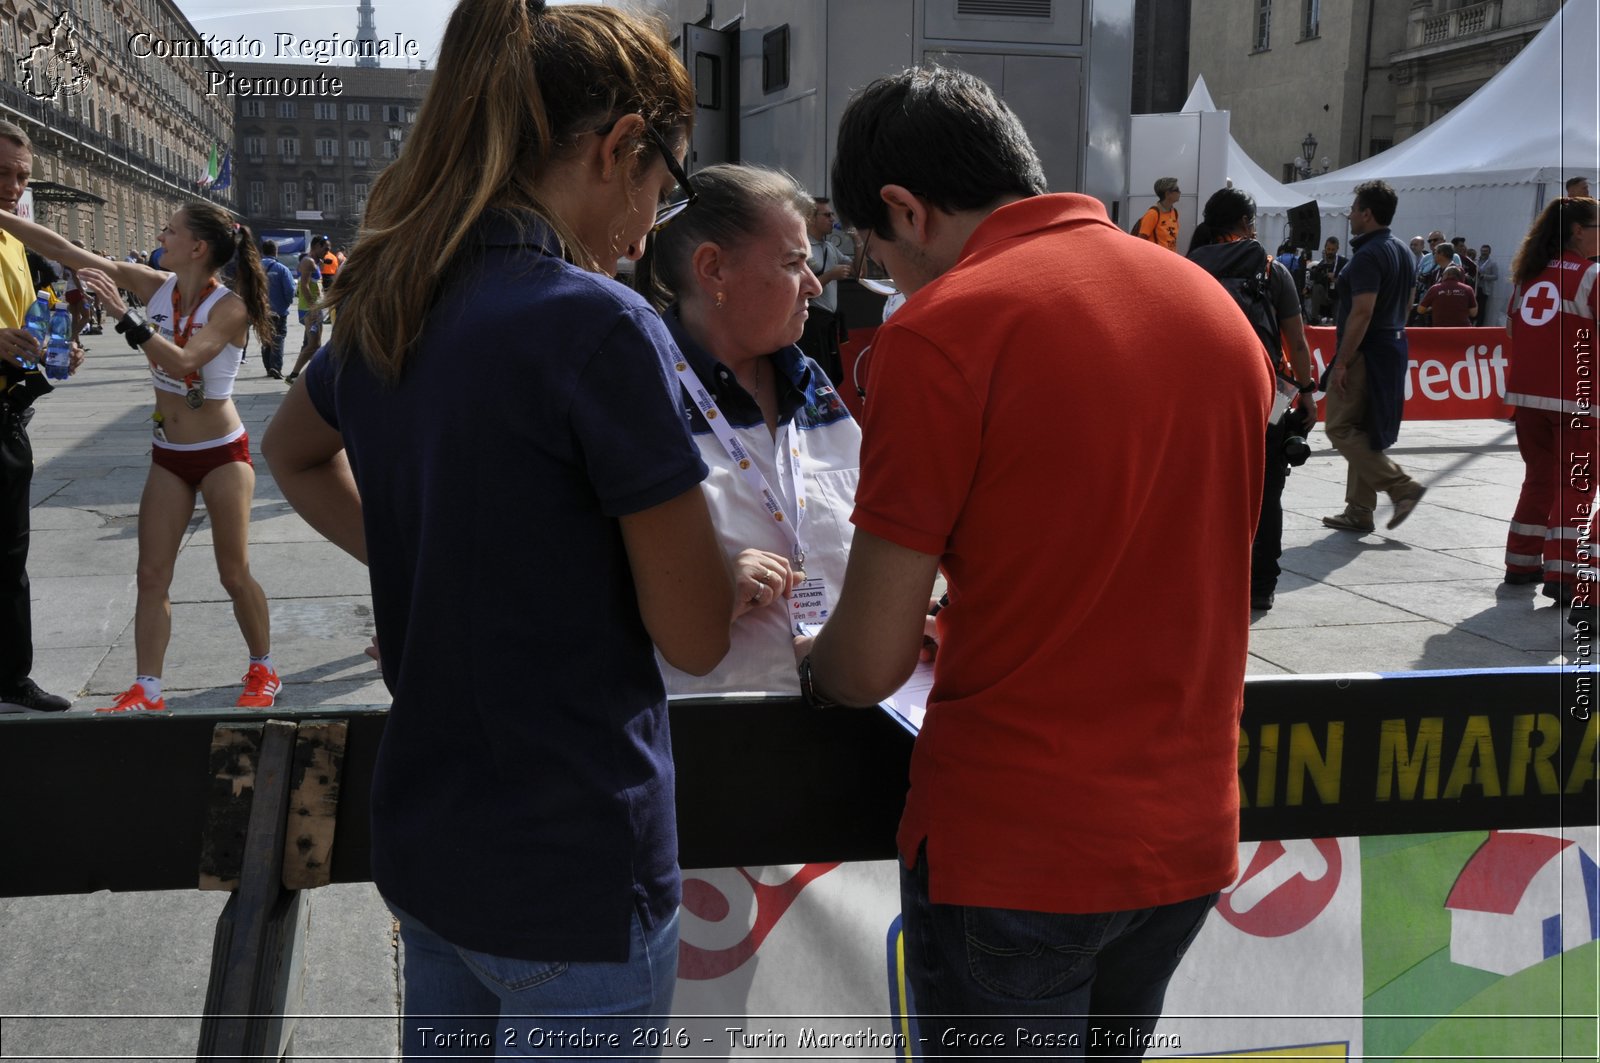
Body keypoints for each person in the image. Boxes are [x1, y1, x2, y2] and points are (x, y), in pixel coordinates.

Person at [261, 0, 733, 1047]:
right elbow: (695, 635)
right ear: (620, 148)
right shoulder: (598, 324)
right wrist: (720, 563)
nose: (653, 220)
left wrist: (429, 556)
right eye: (665, 183)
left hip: (433, 849)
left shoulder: (399, 297)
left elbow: (290, 452)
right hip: (574, 863)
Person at [798, 65, 1271, 1047]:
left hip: (1017, 850)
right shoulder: (1212, 312)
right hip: (1184, 835)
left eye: (873, 248)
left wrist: (815, 659)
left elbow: (868, 662)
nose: (883, 272)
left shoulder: (942, 330)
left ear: (903, 209)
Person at [0, 199, 280, 712]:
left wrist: (123, 315)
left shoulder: (229, 307)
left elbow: (185, 360)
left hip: (222, 453)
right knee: (151, 575)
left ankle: (263, 667)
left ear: (197, 247)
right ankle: (147, 688)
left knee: (233, 572)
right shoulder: (155, 285)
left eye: (170, 231)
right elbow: (64, 248)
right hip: (168, 452)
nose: (161, 235)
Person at [638, 163, 859, 694]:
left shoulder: (814, 386)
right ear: (712, 269)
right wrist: (704, 598)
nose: (812, 284)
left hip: (844, 724)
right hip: (708, 740)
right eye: (792, 263)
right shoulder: (640, 398)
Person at [1189, 188, 1317, 612]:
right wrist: (1308, 393)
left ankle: (1206, 579)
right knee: (1267, 487)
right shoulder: (1271, 269)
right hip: (1269, 397)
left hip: (1203, 399)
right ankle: (1260, 585)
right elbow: (1296, 342)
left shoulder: (1188, 267)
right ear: (1245, 222)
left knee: (1205, 489)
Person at [0, 120, 79, 712]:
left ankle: (11, 676)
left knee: (9, 557)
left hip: (7, 417)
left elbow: (28, 320)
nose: (13, 185)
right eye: (3, 172)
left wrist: (56, 349)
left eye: (22, 175)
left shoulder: (15, 240)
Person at [1500, 196, 1599, 628]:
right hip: (1576, 398)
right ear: (1578, 230)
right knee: (1576, 482)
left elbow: (1512, 329)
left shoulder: (1527, 277)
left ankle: (1521, 562)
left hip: (1527, 398)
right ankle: (1563, 574)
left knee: (1540, 478)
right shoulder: (1591, 275)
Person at [1321, 180, 1427, 534]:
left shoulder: (1367, 255)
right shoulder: (1402, 250)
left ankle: (1401, 486)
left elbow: (1362, 313)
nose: (1350, 214)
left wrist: (1342, 361)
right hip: (1393, 345)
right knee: (1365, 429)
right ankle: (1359, 509)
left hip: (1368, 349)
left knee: (1338, 426)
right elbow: (1410, 301)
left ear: (1367, 214)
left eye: (1354, 208)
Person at [797, 196, 852, 384]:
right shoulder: (803, 248)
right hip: (812, 321)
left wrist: (858, 242)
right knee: (815, 375)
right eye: (827, 215)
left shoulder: (829, 247)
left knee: (831, 375)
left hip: (828, 322)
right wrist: (830, 275)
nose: (832, 219)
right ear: (811, 218)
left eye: (832, 214)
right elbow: (799, 290)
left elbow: (860, 271)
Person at [283, 236, 327, 384]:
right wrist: (313, 307)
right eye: (325, 248)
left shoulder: (313, 261)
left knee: (315, 344)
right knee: (313, 344)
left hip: (314, 307)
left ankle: (316, 376)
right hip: (310, 309)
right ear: (316, 246)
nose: (327, 252)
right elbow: (304, 286)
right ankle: (294, 376)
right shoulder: (308, 261)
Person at [258, 240, 295, 379]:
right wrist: (286, 302)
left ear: (262, 251)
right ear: (275, 251)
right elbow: (290, 290)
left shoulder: (255, 268)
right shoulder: (281, 269)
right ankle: (276, 367)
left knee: (265, 338)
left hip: (261, 311)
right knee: (278, 338)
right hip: (279, 311)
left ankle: (268, 367)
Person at [1133, 175, 1181, 251]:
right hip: (1156, 259)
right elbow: (1141, 241)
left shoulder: (1174, 212)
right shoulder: (1153, 214)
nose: (1180, 192)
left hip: (1170, 257)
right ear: (1168, 194)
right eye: (1177, 189)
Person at [1305, 237, 1345, 323]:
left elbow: (1350, 280)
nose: (1330, 252)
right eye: (1328, 249)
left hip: (1338, 296)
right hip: (1325, 296)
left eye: (1333, 249)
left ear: (1337, 249)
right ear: (1325, 248)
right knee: (1317, 287)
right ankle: (1314, 318)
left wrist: (1337, 279)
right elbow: (1314, 282)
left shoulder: (1343, 263)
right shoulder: (1320, 265)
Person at [1478, 243, 1501, 326]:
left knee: (1481, 309)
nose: (1483, 252)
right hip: (1475, 288)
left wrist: (1484, 276)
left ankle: (1479, 326)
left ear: (1489, 252)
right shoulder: (1476, 261)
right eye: (1482, 251)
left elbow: (1496, 276)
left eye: (1486, 251)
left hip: (1484, 289)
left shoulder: (1492, 263)